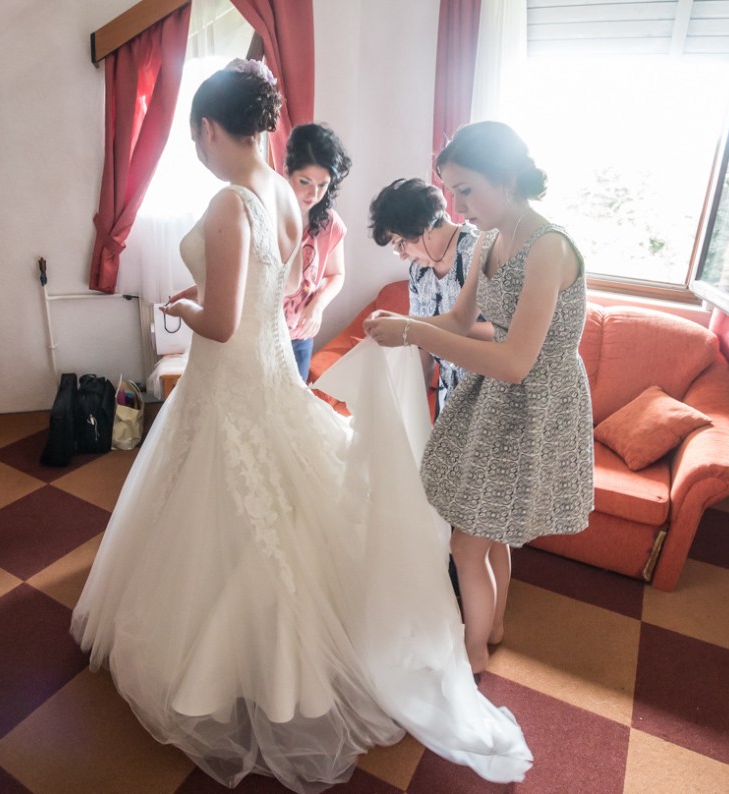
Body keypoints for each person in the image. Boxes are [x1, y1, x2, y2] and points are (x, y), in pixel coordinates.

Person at [71, 64, 531, 793]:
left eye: (194, 137)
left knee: (226, 510)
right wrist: (217, 293)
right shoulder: (284, 194)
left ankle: (241, 659)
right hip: (268, 373)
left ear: (208, 129)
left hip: (229, 379)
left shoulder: (230, 200)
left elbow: (222, 324)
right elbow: (281, 288)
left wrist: (182, 308)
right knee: (281, 507)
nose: (198, 148)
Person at [364, 121, 595, 676]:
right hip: (494, 397)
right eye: (452, 192)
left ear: (507, 178)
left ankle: (472, 657)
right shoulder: (490, 238)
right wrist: (405, 322)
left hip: (535, 402)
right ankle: (491, 630)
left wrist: (413, 333)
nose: (457, 207)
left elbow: (516, 361)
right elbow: (458, 320)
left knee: (466, 546)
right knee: (489, 537)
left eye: (465, 190)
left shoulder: (549, 247)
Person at [369, 178, 489, 414]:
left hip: (488, 397)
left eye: (400, 243)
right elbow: (421, 351)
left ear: (424, 226)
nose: (402, 255)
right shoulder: (419, 272)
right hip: (448, 401)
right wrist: (411, 412)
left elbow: (505, 335)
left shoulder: (478, 252)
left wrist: (416, 328)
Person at [282, 123, 351, 381]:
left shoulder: (330, 224)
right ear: (287, 171)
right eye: (305, 182)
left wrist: (318, 306)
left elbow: (337, 275)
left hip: (300, 337)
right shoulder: (266, 214)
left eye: (323, 185)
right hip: (261, 334)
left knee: (294, 404)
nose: (314, 194)